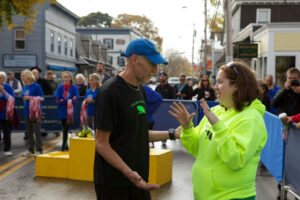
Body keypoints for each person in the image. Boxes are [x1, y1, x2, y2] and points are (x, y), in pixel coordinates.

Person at [169, 60, 267, 200]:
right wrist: (188, 128)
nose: (215, 87)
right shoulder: (216, 111)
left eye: (220, 82)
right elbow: (197, 149)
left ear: (236, 86)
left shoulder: (251, 118)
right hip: (205, 195)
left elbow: (236, 160)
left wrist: (218, 126)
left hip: (232, 196)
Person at [94, 38, 172, 200]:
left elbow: (141, 133)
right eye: (152, 63)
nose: (156, 70)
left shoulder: (140, 90)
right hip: (114, 185)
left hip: (138, 181)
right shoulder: (110, 92)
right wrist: (130, 174)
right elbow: (101, 143)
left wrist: (173, 134)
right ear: (135, 59)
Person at [21, 70, 44, 157]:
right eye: (21, 76)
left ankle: (39, 150)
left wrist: (30, 98)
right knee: (29, 132)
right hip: (27, 111)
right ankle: (30, 150)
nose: (22, 77)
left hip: (36, 112)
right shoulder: (24, 86)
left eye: (23, 75)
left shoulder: (36, 86)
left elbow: (42, 98)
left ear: (29, 76)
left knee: (37, 131)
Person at [54, 71, 79, 151]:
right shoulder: (59, 88)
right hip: (62, 111)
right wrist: (69, 100)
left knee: (66, 129)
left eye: (68, 77)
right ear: (62, 78)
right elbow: (57, 100)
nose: (66, 78)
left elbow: (76, 100)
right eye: (65, 77)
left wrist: (63, 100)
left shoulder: (74, 88)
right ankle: (65, 146)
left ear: (70, 78)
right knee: (65, 129)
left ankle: (64, 146)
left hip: (70, 112)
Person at [0, 72, 15, 156]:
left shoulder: (8, 87)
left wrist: (3, 90)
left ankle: (7, 149)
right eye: (0, 78)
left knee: (7, 131)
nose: (1, 80)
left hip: (6, 112)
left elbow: (12, 99)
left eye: (2, 78)